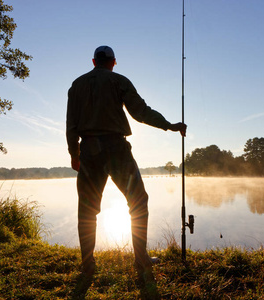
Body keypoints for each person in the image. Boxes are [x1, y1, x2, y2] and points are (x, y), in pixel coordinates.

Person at [66, 45, 186, 289]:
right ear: (113, 62)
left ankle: (88, 265)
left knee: (87, 210)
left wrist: (74, 154)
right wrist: (169, 126)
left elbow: (71, 124)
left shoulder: (76, 85)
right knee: (138, 201)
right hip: (116, 149)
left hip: (89, 151)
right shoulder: (119, 80)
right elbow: (140, 112)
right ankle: (141, 261)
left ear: (93, 61)